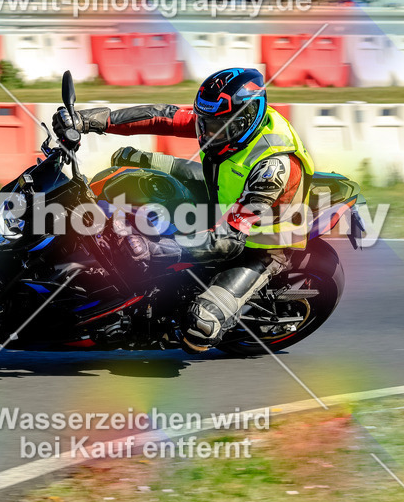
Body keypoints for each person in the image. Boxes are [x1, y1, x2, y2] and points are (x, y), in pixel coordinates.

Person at [52, 68, 315, 353]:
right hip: (222, 192)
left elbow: (228, 241)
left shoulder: (273, 168)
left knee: (199, 325)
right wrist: (87, 120)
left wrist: (159, 248)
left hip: (260, 243)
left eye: (216, 127)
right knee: (133, 168)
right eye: (204, 123)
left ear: (245, 120)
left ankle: (191, 321)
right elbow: (162, 116)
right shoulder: (224, 120)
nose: (206, 133)